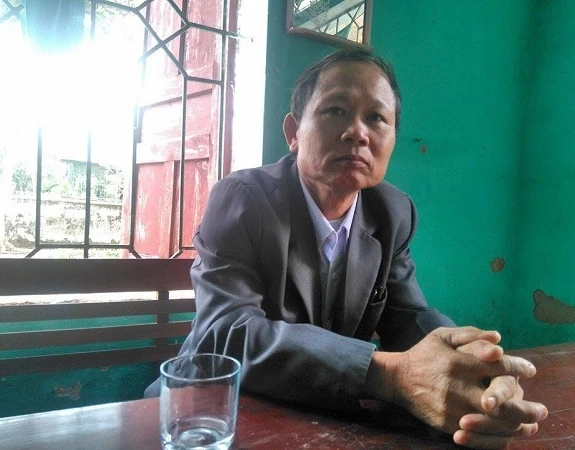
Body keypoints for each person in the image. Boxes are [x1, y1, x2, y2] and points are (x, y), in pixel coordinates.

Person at [146, 49, 548, 448]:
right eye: (336, 110)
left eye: (376, 118)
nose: (358, 132)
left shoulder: (392, 212)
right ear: (293, 132)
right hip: (207, 414)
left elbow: (408, 316)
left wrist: (472, 364)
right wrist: (385, 373)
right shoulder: (243, 199)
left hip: (323, 414)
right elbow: (228, 332)